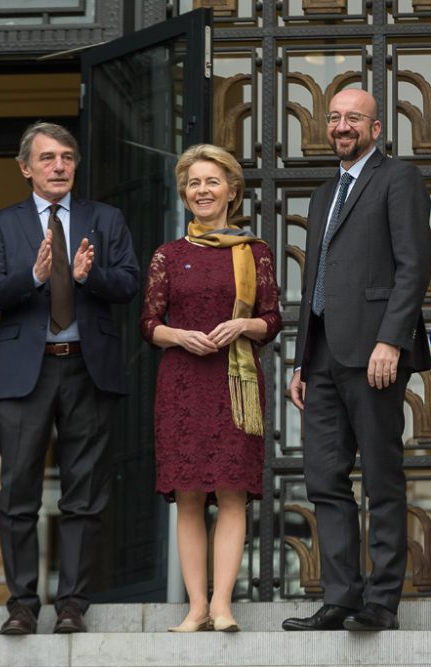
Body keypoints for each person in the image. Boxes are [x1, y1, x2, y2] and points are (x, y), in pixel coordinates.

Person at [0, 122, 139, 635]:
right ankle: (22, 604)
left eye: (67, 157)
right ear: (26, 168)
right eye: (47, 158)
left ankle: (72, 604)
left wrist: (91, 276)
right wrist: (34, 278)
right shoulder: (1, 225)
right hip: (27, 371)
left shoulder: (104, 219)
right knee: (18, 493)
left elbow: (129, 283)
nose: (59, 166)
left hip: (88, 369)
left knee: (84, 495)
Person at [282, 89, 431, 632]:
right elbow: (317, 278)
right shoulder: (324, 193)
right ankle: (341, 597)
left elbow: (413, 267)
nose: (342, 126)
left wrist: (392, 340)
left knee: (382, 477)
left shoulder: (399, 179)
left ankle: (382, 602)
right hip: (321, 356)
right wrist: (300, 362)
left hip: (375, 355)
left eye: (354, 119)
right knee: (324, 478)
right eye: (335, 118)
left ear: (376, 128)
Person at [140, 144, 281, 633]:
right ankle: (196, 607)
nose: (203, 190)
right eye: (194, 183)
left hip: (234, 383)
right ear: (185, 193)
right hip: (182, 383)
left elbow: (273, 319)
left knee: (233, 494)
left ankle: (223, 605)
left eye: (212, 182)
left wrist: (242, 327)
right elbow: (149, 322)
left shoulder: (254, 252)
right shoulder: (168, 255)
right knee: (190, 496)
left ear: (232, 192)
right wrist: (178, 335)